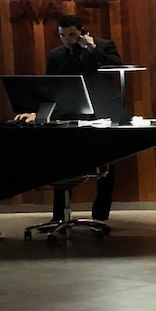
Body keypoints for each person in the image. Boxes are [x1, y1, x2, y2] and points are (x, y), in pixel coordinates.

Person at [46, 14, 122, 223]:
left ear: (82, 32)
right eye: (62, 35)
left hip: (103, 112)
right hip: (73, 112)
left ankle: (100, 216)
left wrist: (92, 49)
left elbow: (115, 69)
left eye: (72, 34)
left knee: (107, 166)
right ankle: (59, 216)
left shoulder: (102, 46)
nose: (67, 39)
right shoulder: (56, 55)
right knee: (65, 165)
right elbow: (50, 85)